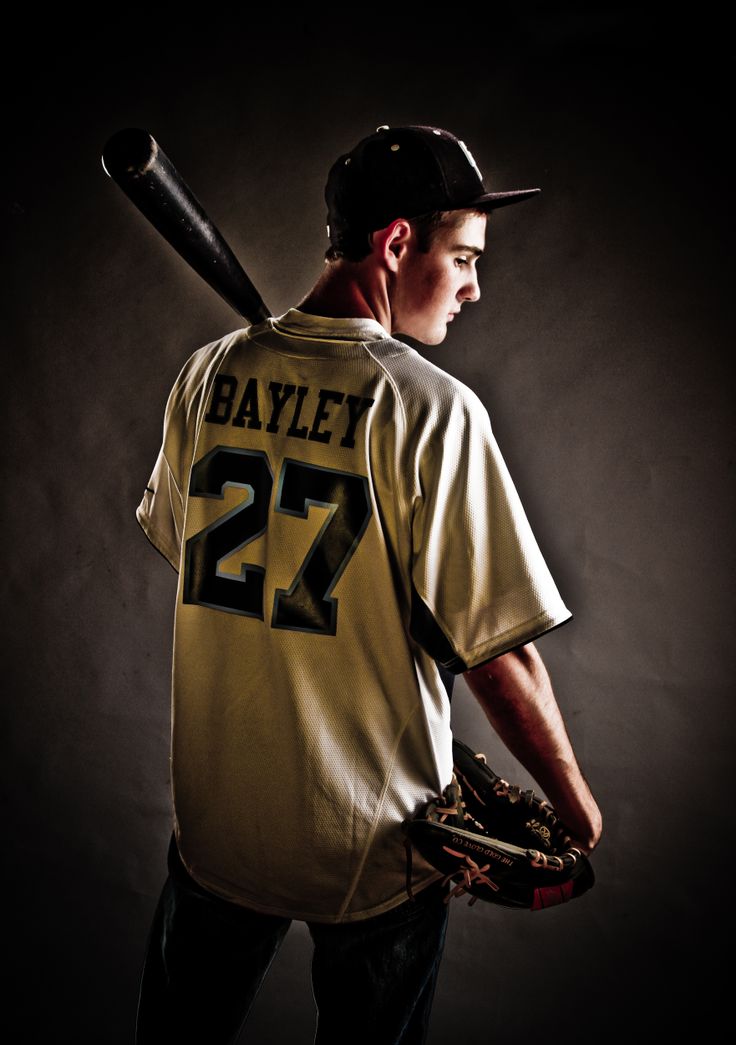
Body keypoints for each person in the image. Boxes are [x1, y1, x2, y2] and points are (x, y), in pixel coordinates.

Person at [133, 124, 602, 1044]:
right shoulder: (432, 410)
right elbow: (501, 658)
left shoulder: (207, 374)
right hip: (376, 846)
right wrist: (577, 808)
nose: (474, 286)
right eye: (462, 258)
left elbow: (189, 553)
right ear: (395, 245)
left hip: (218, 833)